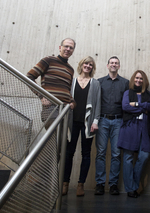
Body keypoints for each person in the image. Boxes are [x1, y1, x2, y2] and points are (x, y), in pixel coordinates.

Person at [62, 56, 101, 197]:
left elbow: (97, 104)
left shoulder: (95, 83)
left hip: (88, 123)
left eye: (91, 64)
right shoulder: (72, 82)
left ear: (92, 67)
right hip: (72, 122)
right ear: (81, 64)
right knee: (69, 153)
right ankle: (65, 183)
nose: (88, 66)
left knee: (86, 154)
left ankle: (80, 185)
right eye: (86, 63)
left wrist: (95, 121)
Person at [94, 56, 129, 195]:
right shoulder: (99, 82)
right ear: (107, 65)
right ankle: (100, 184)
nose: (114, 65)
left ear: (119, 66)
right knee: (101, 153)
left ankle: (113, 184)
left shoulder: (125, 83)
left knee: (116, 154)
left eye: (116, 63)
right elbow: (95, 102)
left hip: (118, 121)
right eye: (112, 63)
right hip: (102, 121)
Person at [117, 70, 150, 198]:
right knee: (127, 158)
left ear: (144, 81)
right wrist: (144, 108)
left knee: (144, 155)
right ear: (133, 79)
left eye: (141, 78)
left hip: (145, 127)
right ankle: (130, 189)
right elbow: (126, 107)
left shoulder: (148, 94)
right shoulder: (128, 93)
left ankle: (133, 183)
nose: (138, 80)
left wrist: (138, 104)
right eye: (136, 78)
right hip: (129, 126)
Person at [27, 38, 76, 128]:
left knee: (63, 140)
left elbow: (67, 89)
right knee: (53, 138)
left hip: (66, 109)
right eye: (66, 46)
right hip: (51, 107)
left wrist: (72, 102)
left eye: (71, 48)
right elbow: (29, 77)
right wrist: (41, 96)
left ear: (73, 51)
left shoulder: (70, 69)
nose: (68, 49)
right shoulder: (48, 60)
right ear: (60, 47)